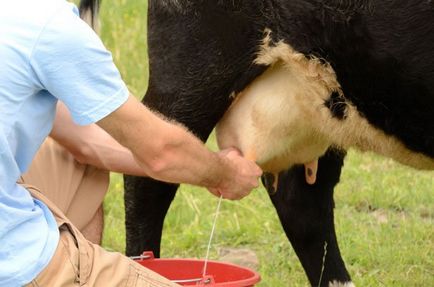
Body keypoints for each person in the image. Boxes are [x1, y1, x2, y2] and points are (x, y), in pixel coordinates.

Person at [0, 0, 262, 286]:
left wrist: (204, 164)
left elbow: (86, 143)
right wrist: (226, 173)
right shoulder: (48, 26)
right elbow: (161, 152)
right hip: (12, 260)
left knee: (75, 164)